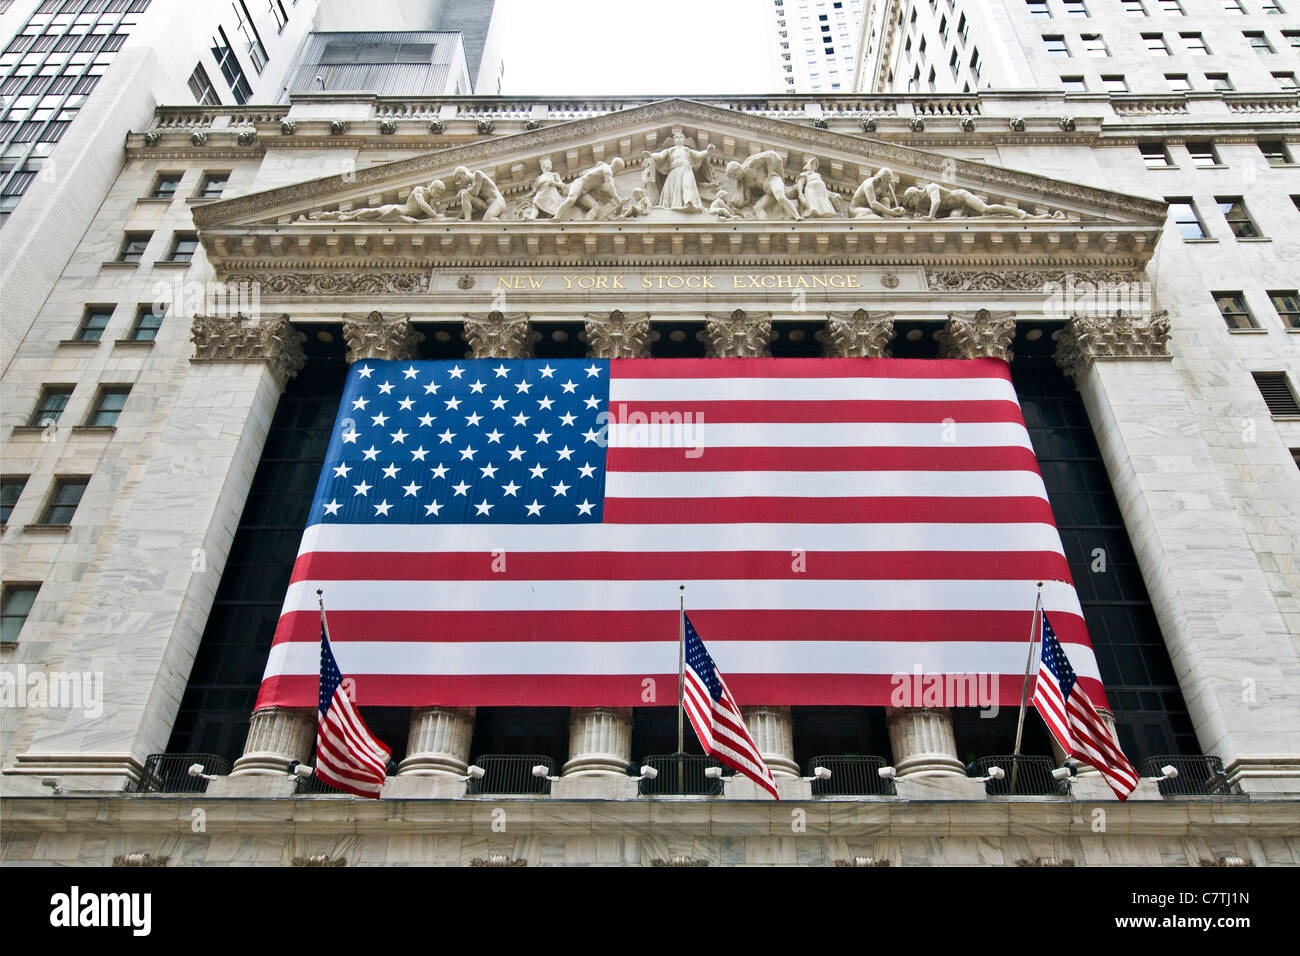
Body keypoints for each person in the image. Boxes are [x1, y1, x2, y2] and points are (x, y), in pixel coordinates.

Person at [901, 182, 1065, 220]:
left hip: (962, 198)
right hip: (956, 210)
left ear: (913, 194)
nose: (912, 204)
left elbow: (936, 203)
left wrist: (930, 217)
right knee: (953, 222)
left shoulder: (930, 188)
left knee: (985, 210)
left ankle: (1018, 212)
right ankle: (1036, 218)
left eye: (911, 200)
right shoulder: (922, 204)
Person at [641, 128, 715, 212]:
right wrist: (651, 155)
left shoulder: (687, 150)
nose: (678, 138)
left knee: (687, 185)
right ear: (673, 140)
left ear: (684, 140)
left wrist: (707, 152)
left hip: (686, 169)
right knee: (673, 188)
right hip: (674, 171)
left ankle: (688, 202)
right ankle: (675, 204)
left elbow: (698, 155)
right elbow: (660, 156)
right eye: (676, 137)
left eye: (681, 137)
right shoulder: (670, 150)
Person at [304, 179, 446, 222]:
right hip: (399, 209)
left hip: (404, 216)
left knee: (372, 213)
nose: (439, 194)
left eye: (441, 193)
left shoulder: (433, 200)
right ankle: (343, 216)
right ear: (432, 187)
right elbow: (421, 205)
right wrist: (437, 216)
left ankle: (347, 217)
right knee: (373, 211)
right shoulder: (419, 190)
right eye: (438, 191)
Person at [724, 150, 801, 220]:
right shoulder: (745, 182)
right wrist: (738, 210)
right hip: (768, 193)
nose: (736, 177)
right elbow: (747, 199)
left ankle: (797, 216)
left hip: (772, 181)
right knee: (757, 208)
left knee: (780, 197)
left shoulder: (750, 164)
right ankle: (767, 230)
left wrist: (770, 172)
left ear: (737, 168)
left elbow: (768, 157)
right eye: (733, 177)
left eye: (734, 175)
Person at [554, 156, 626, 220]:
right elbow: (611, 187)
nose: (616, 172)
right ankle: (557, 216)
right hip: (579, 184)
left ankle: (585, 225)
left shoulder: (605, 172)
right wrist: (618, 200)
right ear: (617, 167)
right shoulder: (607, 170)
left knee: (596, 207)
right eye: (618, 170)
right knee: (571, 199)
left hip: (584, 192)